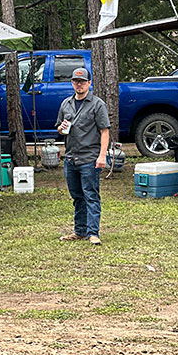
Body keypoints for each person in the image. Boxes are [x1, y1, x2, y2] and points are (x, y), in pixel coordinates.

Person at [56, 67, 110, 246]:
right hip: (70, 158)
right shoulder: (66, 104)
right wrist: (61, 128)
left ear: (89, 83)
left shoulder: (97, 104)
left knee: (91, 196)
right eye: (75, 81)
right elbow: (59, 129)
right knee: (77, 196)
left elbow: (104, 131)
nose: (79, 84)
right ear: (72, 83)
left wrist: (102, 156)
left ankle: (93, 233)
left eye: (82, 81)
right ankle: (79, 231)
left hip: (89, 158)